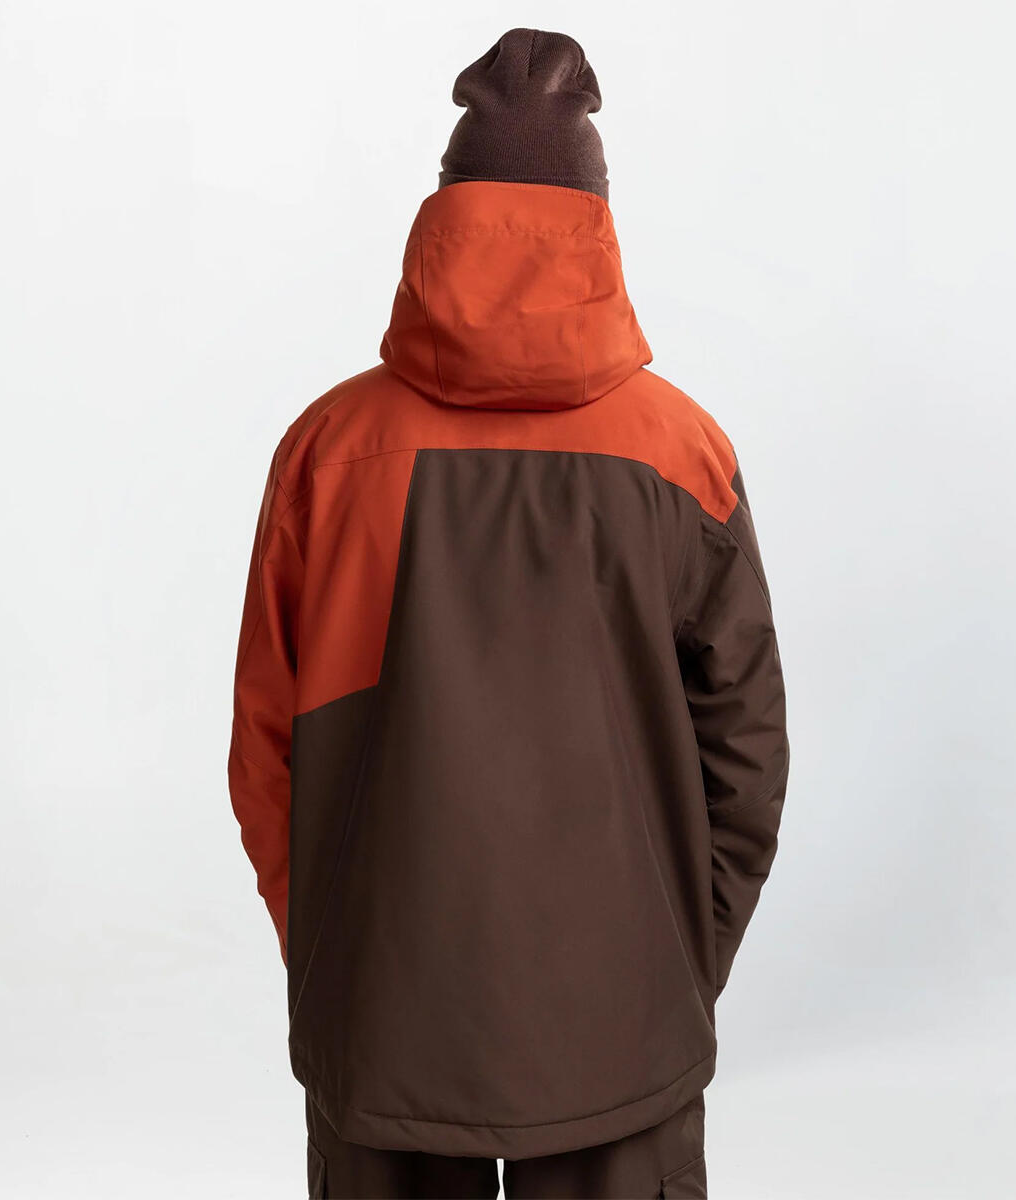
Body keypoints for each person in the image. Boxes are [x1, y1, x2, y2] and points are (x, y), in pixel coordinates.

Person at [228, 27, 789, 1200]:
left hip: (383, 1005)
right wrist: (678, 958)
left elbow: (267, 749)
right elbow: (747, 753)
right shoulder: (681, 453)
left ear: (442, 216)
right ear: (597, 224)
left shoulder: (329, 452)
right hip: (621, 1012)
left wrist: (334, 951)